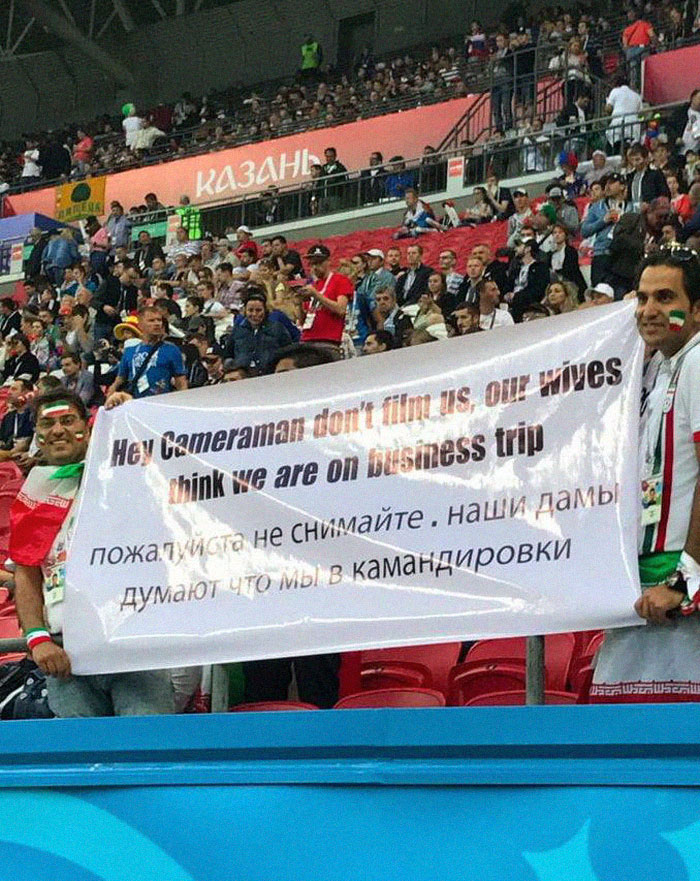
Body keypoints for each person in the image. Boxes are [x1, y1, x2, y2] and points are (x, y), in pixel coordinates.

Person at [11, 388, 176, 717]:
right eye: (47, 424)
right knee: (81, 748)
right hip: (66, 657)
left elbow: (165, 464)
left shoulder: (121, 472)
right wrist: (37, 638)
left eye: (68, 420)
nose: (58, 430)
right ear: (37, 436)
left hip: (134, 646)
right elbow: (27, 575)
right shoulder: (32, 498)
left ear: (87, 428)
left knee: (144, 744)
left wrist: (129, 418)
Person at [592, 249, 700, 703]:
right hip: (648, 587)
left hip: (676, 591)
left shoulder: (698, 362)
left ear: (697, 310)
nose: (649, 310)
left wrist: (685, 579)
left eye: (665, 298)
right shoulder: (662, 369)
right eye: (642, 298)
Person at [106, 306, 187, 405]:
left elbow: (181, 383)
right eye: (151, 320)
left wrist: (183, 404)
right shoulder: (130, 351)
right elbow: (120, 379)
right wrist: (111, 394)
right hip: (135, 403)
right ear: (140, 325)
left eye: (159, 320)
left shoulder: (172, 350)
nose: (157, 323)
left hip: (161, 404)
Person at [581, 173, 634, 286]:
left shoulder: (630, 207)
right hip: (602, 253)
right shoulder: (597, 207)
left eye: (612, 183)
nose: (607, 186)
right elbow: (584, 231)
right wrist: (604, 220)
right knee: (600, 290)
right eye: (606, 184)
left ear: (622, 186)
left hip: (624, 255)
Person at [299, 244, 353, 351]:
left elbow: (341, 309)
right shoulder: (313, 286)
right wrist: (298, 304)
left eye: (319, 263)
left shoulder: (340, 280)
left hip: (327, 340)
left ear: (328, 261)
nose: (315, 267)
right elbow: (303, 320)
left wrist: (316, 294)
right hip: (307, 339)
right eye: (312, 264)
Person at [224, 290, 292, 372]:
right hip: (244, 375)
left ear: (265, 310)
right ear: (245, 311)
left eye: (258, 310)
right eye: (250, 310)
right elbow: (228, 355)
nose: (254, 314)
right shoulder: (237, 331)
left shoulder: (277, 328)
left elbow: (288, 352)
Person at [509, 239, 549, 323]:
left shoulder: (540, 267)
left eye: (519, 246)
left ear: (528, 249)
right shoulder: (516, 268)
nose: (516, 249)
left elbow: (537, 290)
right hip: (512, 303)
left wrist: (516, 296)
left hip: (528, 305)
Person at [626, 144, 671, 211]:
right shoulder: (630, 176)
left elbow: (664, 195)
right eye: (632, 160)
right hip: (634, 212)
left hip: (651, 212)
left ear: (646, 159)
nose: (635, 163)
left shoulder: (655, 175)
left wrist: (651, 205)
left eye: (637, 159)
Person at [548, 223, 586, 299]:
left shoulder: (571, 251)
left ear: (565, 235)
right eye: (555, 233)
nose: (557, 235)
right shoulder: (550, 255)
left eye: (560, 232)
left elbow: (571, 270)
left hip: (572, 284)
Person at [0, 379, 34, 462]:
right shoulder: (8, 417)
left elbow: (24, 445)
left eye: (14, 389)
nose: (9, 392)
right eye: (9, 389)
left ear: (26, 393)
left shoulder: (34, 415)